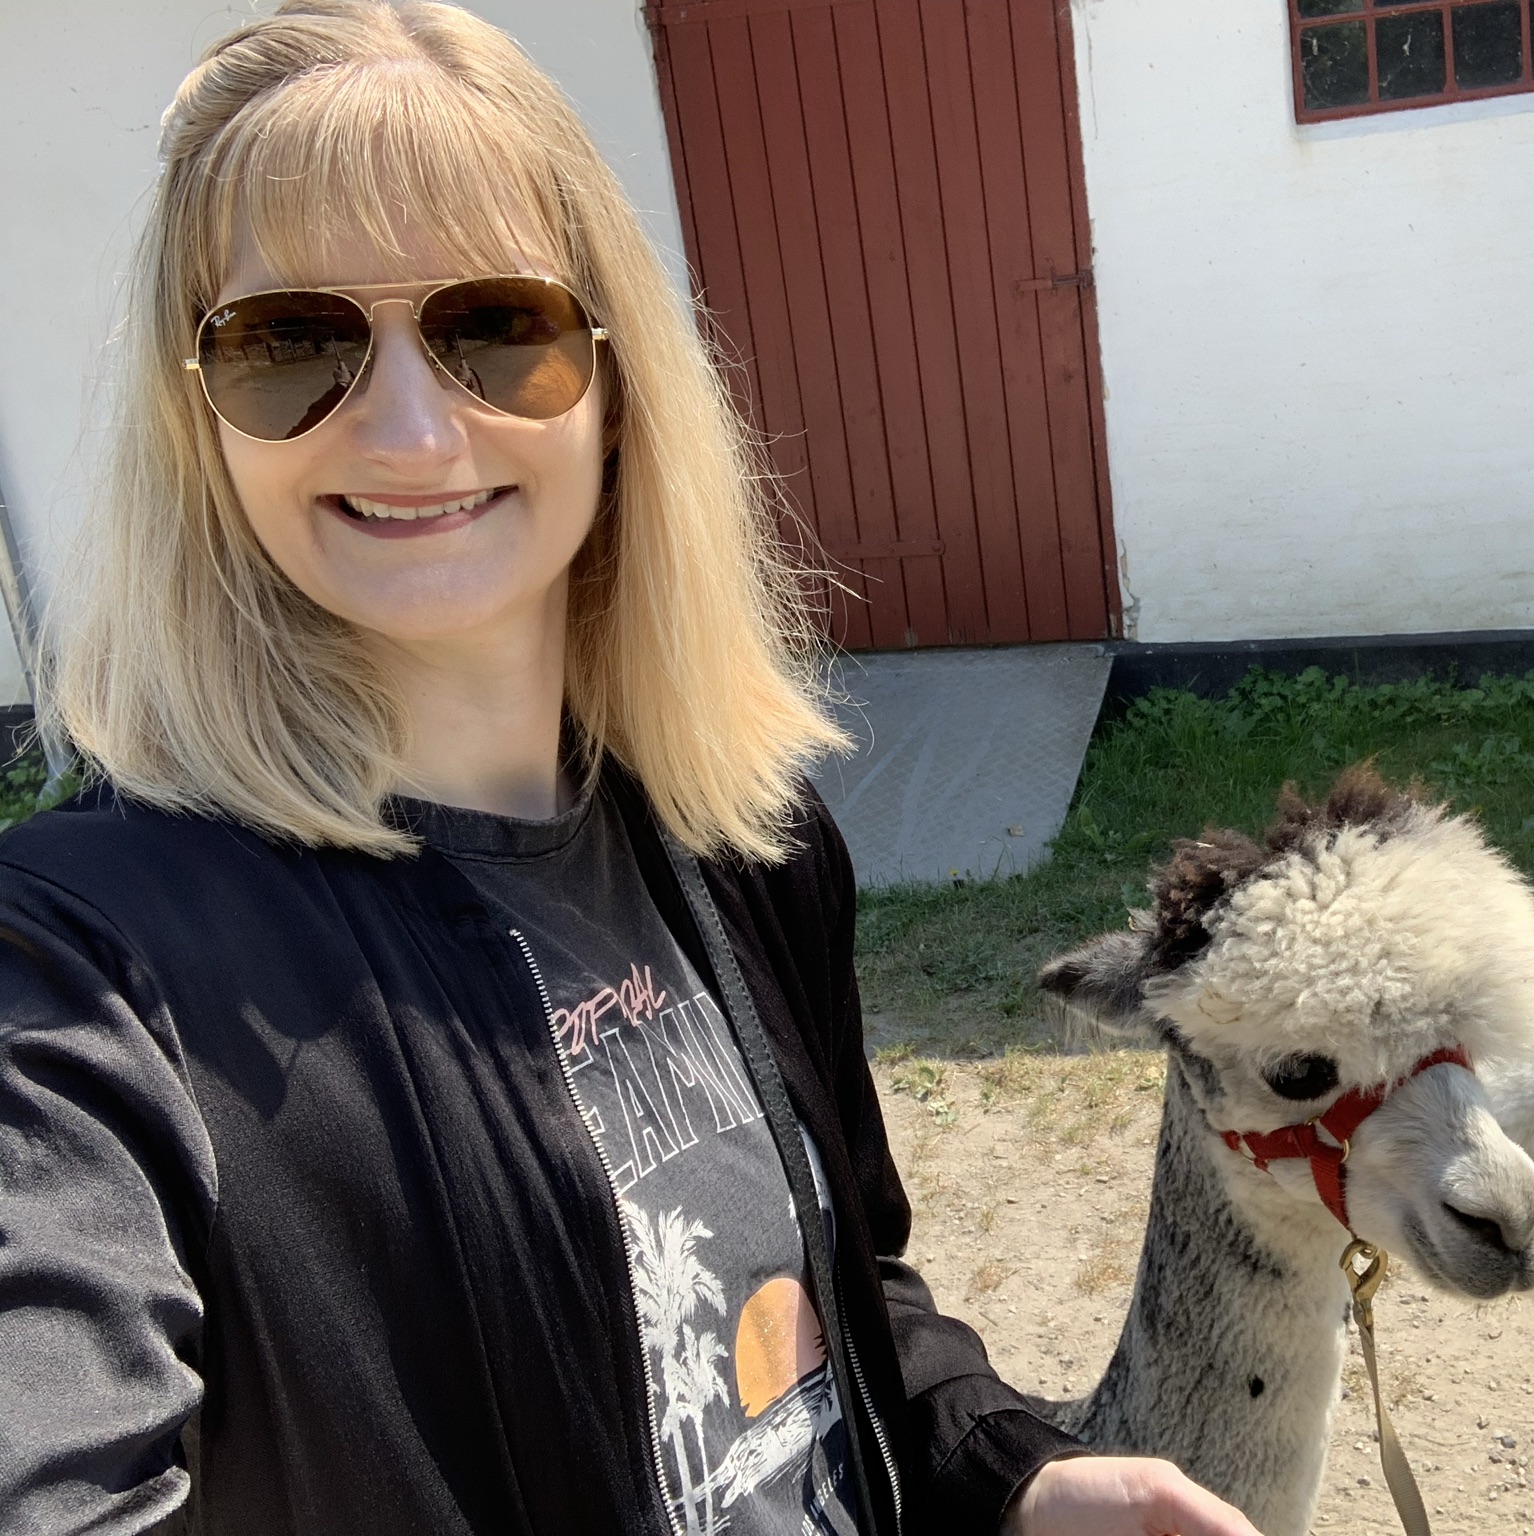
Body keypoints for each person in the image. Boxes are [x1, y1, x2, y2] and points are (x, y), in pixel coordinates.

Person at [0, 4, 1265, 1535]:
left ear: (614, 380)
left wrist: (1013, 1473)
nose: (409, 429)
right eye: (292, 344)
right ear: (197, 418)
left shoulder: (747, 843)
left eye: (493, 328)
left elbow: (843, 1289)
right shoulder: (74, 972)